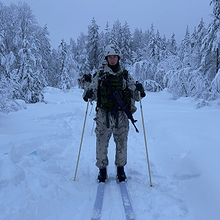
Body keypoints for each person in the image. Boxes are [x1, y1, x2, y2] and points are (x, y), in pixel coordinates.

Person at [84, 44, 145, 182]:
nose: (112, 59)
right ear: (106, 58)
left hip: (121, 115)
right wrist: (88, 93)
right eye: (110, 57)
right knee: (101, 143)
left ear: (118, 58)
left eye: (115, 57)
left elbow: (136, 96)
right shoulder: (100, 75)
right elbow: (92, 94)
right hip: (103, 115)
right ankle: (102, 170)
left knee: (122, 143)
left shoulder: (125, 75)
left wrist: (139, 90)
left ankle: (120, 169)